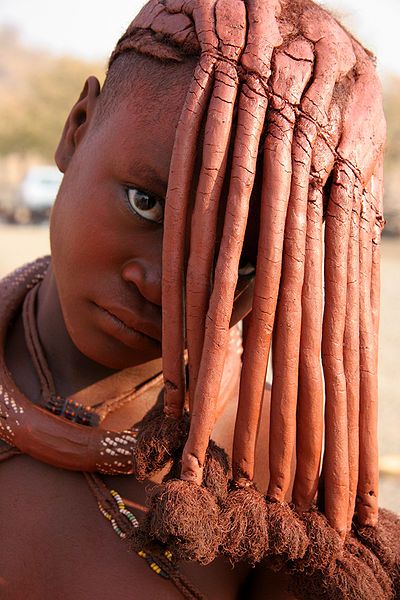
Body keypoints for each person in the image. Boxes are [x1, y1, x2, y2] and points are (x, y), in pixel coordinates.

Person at [0, 0, 398, 598]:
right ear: (76, 130)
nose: (163, 284)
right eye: (146, 203)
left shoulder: (277, 499)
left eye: (240, 259)